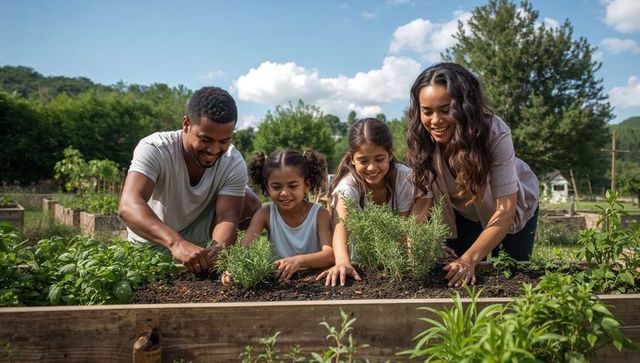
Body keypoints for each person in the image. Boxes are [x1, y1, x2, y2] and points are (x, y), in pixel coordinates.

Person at [406, 62, 539, 288]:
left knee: (513, 279)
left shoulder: (493, 132)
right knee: (455, 278)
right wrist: (418, 244)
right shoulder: (423, 140)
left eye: (446, 110)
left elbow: (505, 210)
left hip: (511, 213)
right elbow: (422, 204)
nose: (435, 120)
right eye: (427, 111)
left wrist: (469, 259)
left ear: (464, 107)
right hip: (463, 216)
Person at [118, 86, 261, 273]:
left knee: (250, 202)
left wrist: (220, 248)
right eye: (205, 139)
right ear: (186, 124)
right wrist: (176, 243)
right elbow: (128, 206)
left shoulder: (232, 161)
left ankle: (205, 258)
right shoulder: (155, 148)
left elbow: (227, 217)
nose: (214, 149)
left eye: (224, 141)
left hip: (197, 234)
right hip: (154, 239)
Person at [317, 118, 416, 287]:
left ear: (390, 154)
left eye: (379, 159)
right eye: (363, 161)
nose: (371, 168)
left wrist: (407, 261)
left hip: (398, 261)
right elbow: (341, 227)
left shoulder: (404, 178)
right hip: (361, 263)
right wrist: (342, 261)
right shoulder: (348, 187)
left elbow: (405, 227)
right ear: (352, 159)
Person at [222, 149, 334, 284]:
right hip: (277, 281)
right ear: (267, 187)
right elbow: (244, 246)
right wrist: (232, 268)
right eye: (276, 187)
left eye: (293, 186)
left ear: (306, 185)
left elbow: (330, 255)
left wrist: (299, 260)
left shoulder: (319, 214)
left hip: (315, 280)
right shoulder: (265, 213)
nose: (284, 193)